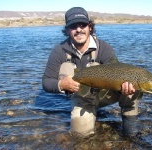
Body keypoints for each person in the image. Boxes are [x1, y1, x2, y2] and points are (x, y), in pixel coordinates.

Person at [42, 7, 140, 137]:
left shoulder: (104, 48)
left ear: (90, 27)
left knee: (134, 88)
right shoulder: (59, 51)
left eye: (82, 25)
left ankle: (131, 136)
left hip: (105, 95)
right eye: (73, 26)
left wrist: (123, 89)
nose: (79, 29)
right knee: (81, 136)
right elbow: (46, 81)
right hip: (82, 99)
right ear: (67, 30)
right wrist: (61, 85)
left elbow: (118, 71)